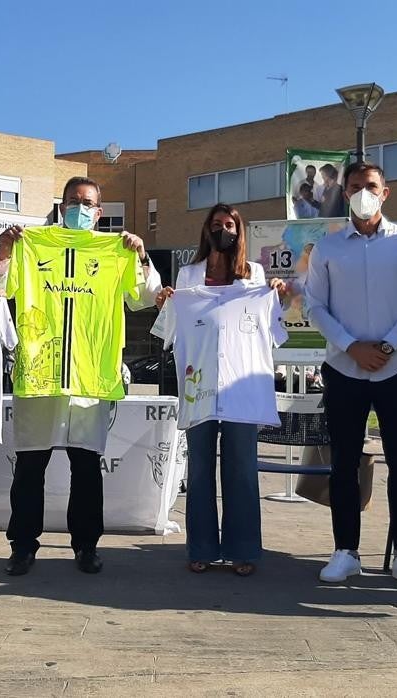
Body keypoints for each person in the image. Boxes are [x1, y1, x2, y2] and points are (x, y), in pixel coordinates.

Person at [0, 176, 160, 576]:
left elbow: (145, 297)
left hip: (91, 378)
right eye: (73, 201)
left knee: (86, 468)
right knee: (31, 466)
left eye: (88, 202)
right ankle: (23, 546)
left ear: (99, 212)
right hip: (41, 374)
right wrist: (6, 250)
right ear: (61, 206)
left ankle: (86, 546)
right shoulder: (34, 245)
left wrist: (141, 254)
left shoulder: (114, 252)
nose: (80, 207)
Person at [301, 161, 397, 589]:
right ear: (346, 193)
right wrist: (351, 346)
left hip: (396, 367)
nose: (362, 192)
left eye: (370, 186)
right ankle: (346, 551)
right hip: (344, 368)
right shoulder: (328, 248)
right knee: (343, 463)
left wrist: (387, 346)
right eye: (355, 186)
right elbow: (315, 306)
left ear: (385, 192)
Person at [153, 204, 286, 576]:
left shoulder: (255, 276)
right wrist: (166, 302)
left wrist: (276, 295)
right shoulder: (189, 274)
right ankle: (201, 548)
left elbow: (275, 333)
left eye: (229, 225)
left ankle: (244, 550)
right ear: (206, 230)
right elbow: (168, 332)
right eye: (216, 225)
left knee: (242, 470)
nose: (223, 230)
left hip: (242, 390)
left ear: (239, 231)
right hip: (199, 389)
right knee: (198, 471)